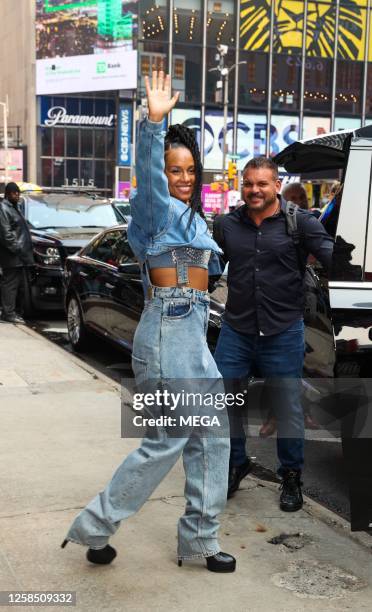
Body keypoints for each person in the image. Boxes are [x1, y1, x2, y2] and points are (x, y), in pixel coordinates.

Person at [61, 71, 235, 573]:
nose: (182, 178)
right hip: (165, 336)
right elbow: (149, 182)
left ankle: (200, 540)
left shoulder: (194, 218)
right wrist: (153, 124)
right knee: (168, 441)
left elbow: (206, 273)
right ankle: (96, 526)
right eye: (173, 170)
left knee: (213, 438)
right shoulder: (153, 212)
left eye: (189, 170)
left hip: (193, 338)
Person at [213, 157, 333, 511]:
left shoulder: (301, 223)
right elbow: (210, 265)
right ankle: (236, 463)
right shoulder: (227, 225)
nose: (255, 190)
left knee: (288, 407)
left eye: (262, 184)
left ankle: (291, 477)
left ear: (276, 185)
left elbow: (334, 258)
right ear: (242, 186)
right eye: (249, 183)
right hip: (237, 328)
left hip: (283, 331)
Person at [0, 182, 34, 324]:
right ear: (7, 194)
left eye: (18, 193)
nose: (17, 195)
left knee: (17, 285)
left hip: (18, 256)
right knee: (10, 284)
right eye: (14, 193)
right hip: (12, 256)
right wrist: (18, 249)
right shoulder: (3, 208)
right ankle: (8, 314)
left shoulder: (13, 207)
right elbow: (5, 234)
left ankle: (11, 311)